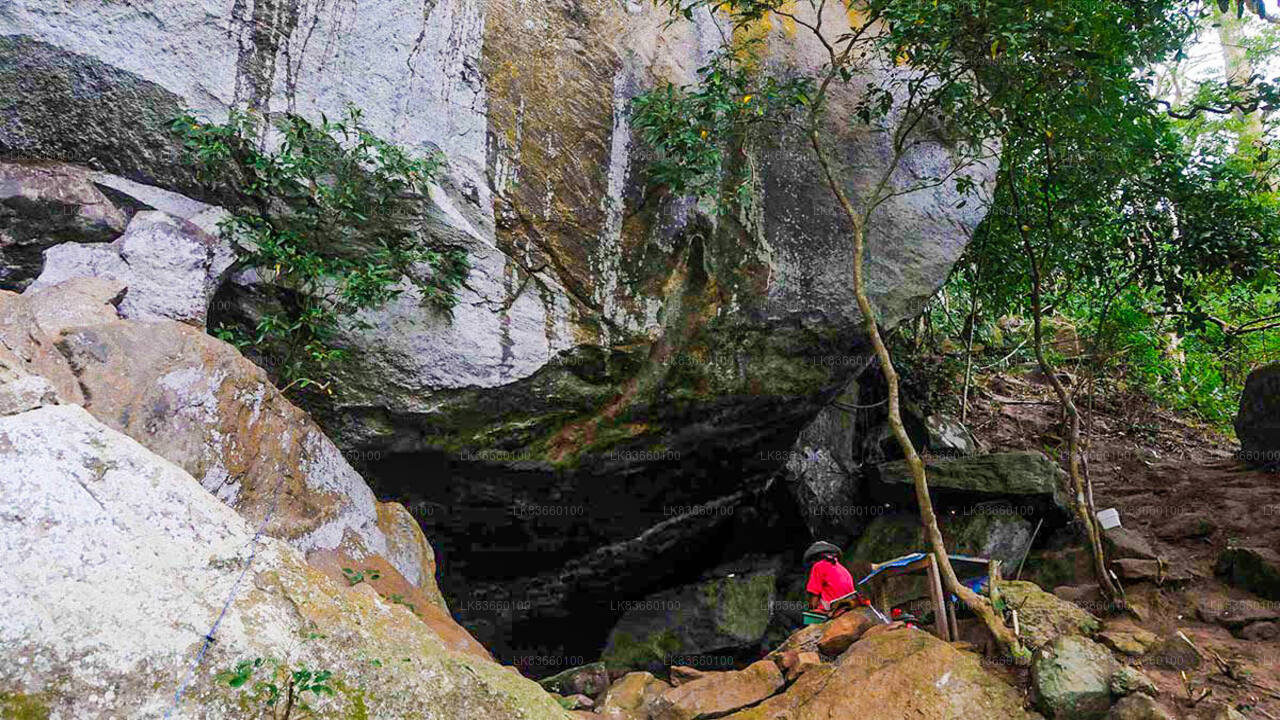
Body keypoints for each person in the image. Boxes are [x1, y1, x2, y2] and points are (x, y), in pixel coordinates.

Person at [803, 540, 855, 613]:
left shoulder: (819, 566)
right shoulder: (842, 568)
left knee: (782, 610)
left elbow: (815, 593)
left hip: (828, 609)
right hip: (845, 607)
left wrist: (811, 611)